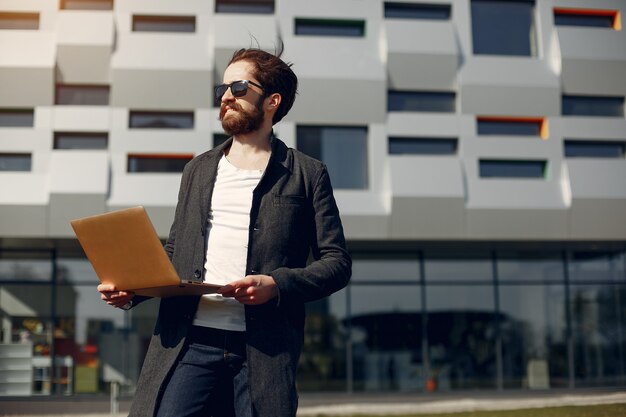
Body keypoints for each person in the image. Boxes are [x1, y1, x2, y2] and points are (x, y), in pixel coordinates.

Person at [98, 46, 352, 417]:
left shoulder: (308, 173)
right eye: (222, 90)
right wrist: (131, 289)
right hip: (189, 342)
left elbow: (336, 263)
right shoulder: (197, 170)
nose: (225, 98)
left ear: (272, 101)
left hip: (264, 349)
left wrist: (277, 285)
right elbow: (176, 253)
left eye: (238, 87)